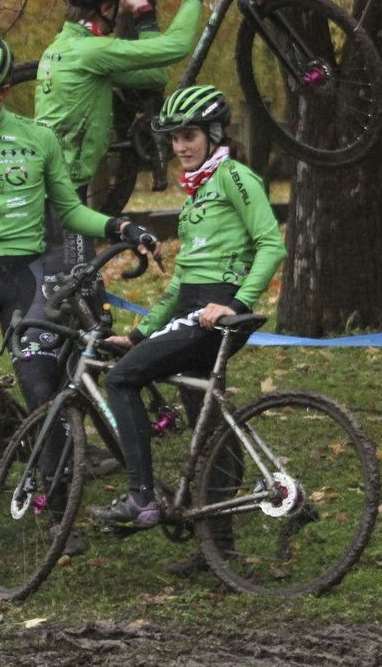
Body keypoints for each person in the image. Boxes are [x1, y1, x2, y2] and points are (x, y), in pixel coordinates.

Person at [0, 35, 158, 567]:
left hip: (28, 278)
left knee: (42, 391)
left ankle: (54, 513)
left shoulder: (39, 139)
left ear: (2, 89)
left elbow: (70, 211)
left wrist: (119, 225)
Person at [19, 0, 222, 415]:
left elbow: (153, 72)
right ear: (107, 7)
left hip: (56, 197)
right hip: (57, 205)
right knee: (80, 313)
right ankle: (57, 421)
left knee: (83, 310)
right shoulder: (90, 50)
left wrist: (146, 14)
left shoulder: (70, 47)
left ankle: (84, 406)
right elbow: (176, 49)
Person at [93, 85, 286, 534]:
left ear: (214, 135)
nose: (180, 146)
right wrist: (141, 335)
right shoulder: (197, 192)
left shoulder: (234, 177)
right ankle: (218, 543)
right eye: (175, 138)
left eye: (190, 136)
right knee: (209, 424)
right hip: (193, 307)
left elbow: (271, 245)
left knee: (121, 380)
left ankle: (141, 499)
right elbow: (181, 280)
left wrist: (235, 303)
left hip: (216, 311)